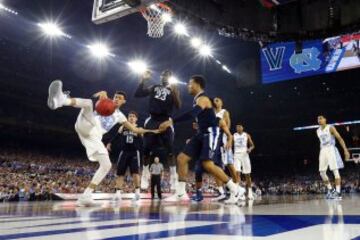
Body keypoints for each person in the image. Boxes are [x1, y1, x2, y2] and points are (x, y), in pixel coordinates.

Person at [47, 80, 156, 206]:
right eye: (115, 97)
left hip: (94, 137)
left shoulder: (121, 116)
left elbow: (135, 129)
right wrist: (102, 95)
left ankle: (86, 196)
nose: (116, 99)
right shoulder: (106, 102)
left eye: (120, 98)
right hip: (86, 124)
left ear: (123, 102)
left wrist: (152, 130)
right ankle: (61, 100)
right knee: (88, 103)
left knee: (106, 165)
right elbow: (99, 96)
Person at [160, 75, 244, 204]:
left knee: (208, 164)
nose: (188, 86)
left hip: (211, 133)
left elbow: (192, 113)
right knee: (181, 158)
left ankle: (235, 189)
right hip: (201, 134)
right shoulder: (198, 100)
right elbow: (202, 117)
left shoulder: (203, 98)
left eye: (190, 83)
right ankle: (181, 193)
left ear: (197, 84)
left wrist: (172, 121)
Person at [134, 70, 181, 191]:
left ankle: (173, 177)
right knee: (146, 150)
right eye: (163, 75)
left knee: (170, 150)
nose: (164, 77)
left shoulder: (172, 90)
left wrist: (174, 89)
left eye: (167, 75)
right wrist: (143, 80)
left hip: (166, 121)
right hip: (152, 120)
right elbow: (138, 94)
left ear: (171, 78)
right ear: (160, 77)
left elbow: (178, 105)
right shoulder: (154, 87)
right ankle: (145, 174)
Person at [107, 111, 143, 202]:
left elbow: (143, 142)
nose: (131, 117)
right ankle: (118, 194)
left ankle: (137, 193)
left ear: (136, 119)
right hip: (124, 152)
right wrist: (110, 143)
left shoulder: (139, 129)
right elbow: (116, 136)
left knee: (135, 173)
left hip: (134, 152)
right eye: (130, 116)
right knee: (120, 173)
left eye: (133, 116)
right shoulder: (122, 127)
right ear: (127, 118)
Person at [316, 115, 350, 200]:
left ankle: (338, 193)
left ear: (325, 120)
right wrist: (321, 154)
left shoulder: (330, 128)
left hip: (331, 149)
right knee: (322, 172)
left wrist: (345, 150)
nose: (319, 120)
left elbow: (339, 138)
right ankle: (331, 190)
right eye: (318, 119)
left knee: (335, 170)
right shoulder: (317, 131)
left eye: (321, 118)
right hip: (323, 150)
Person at [233, 124, 255, 200]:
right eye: (237, 127)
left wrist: (250, 149)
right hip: (236, 155)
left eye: (239, 126)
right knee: (237, 173)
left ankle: (250, 192)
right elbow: (229, 144)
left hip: (245, 155)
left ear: (242, 128)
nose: (238, 127)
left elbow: (252, 145)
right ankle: (239, 192)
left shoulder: (246, 135)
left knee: (247, 175)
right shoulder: (234, 135)